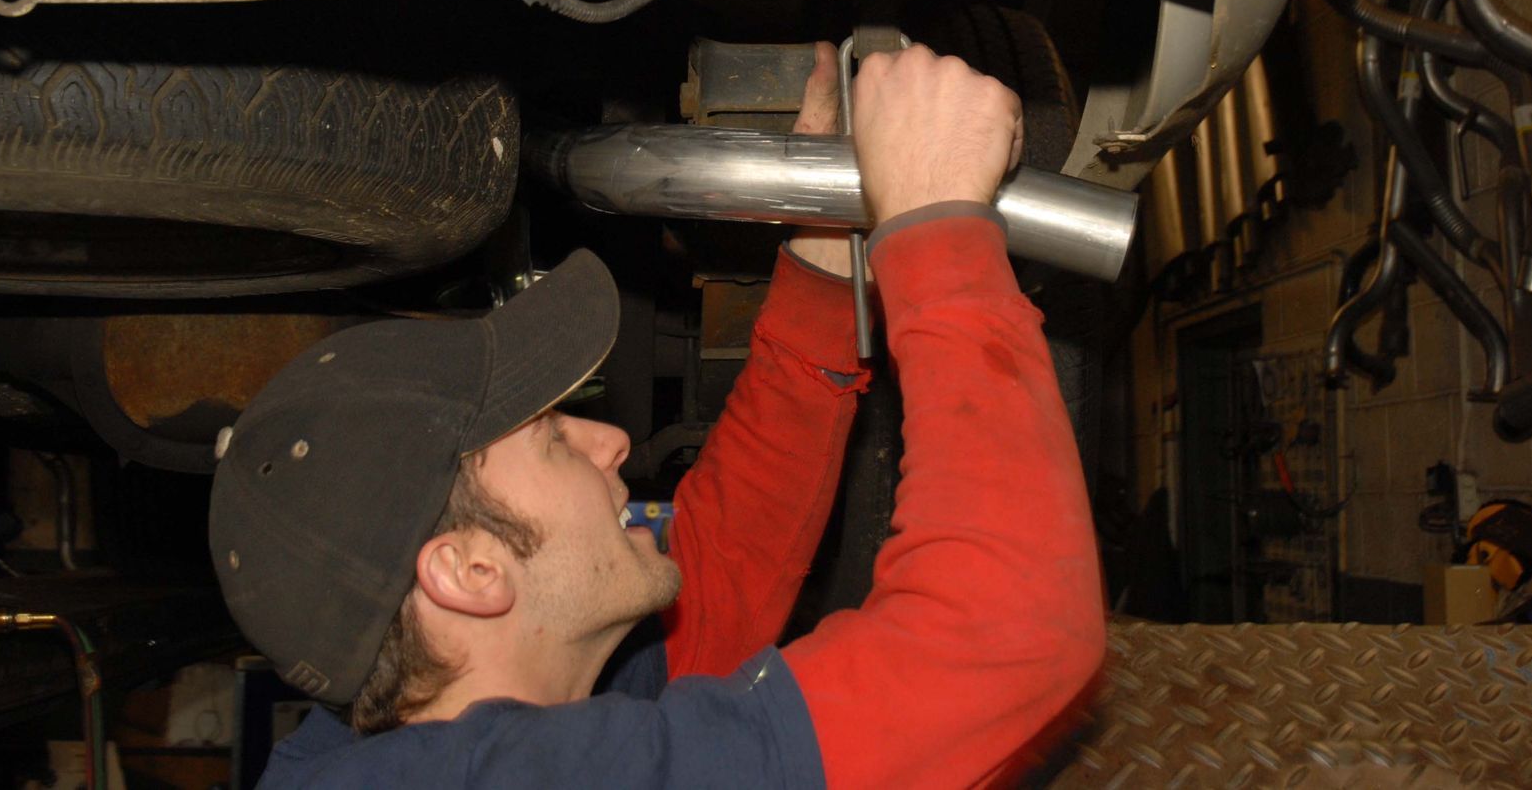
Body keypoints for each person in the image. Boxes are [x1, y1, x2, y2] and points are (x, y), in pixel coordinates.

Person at [209, 42, 1105, 788]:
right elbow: (1003, 643)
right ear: (469, 571)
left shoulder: (480, 720)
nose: (612, 441)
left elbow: (717, 588)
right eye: (555, 439)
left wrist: (826, 267)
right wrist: (937, 224)